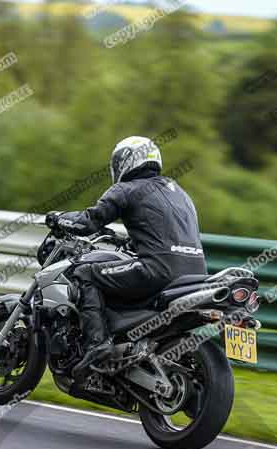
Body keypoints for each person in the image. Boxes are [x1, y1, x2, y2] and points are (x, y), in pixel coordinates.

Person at [46, 136, 206, 376]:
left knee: (84, 273)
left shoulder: (126, 189)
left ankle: (97, 345)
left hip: (158, 269)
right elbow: (162, 232)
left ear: (125, 162)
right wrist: (130, 241)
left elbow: (89, 222)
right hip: (195, 274)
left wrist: (59, 218)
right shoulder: (179, 192)